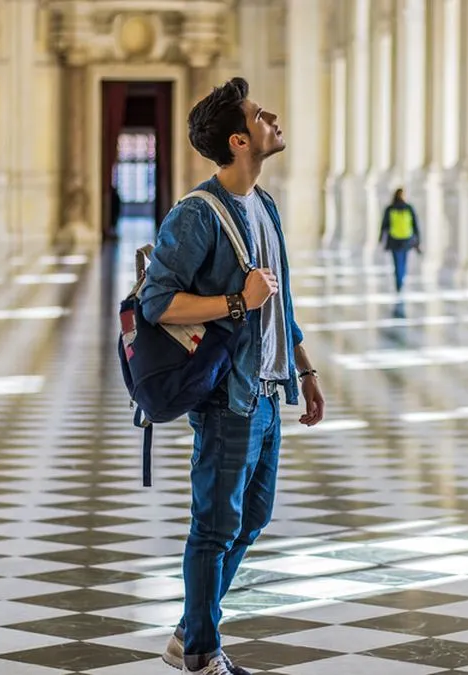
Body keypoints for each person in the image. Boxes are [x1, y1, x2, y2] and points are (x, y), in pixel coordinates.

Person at [138, 77, 326, 675]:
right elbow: (156, 303)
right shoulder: (197, 215)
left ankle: (191, 630)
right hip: (227, 395)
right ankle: (198, 654)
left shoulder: (264, 205)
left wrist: (304, 368)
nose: (273, 116)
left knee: (252, 517)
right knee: (215, 526)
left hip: (269, 390)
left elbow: (283, 302)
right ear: (241, 139)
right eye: (258, 113)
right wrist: (235, 303)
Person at [379, 188, 421, 293]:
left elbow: (384, 225)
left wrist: (381, 238)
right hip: (406, 239)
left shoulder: (390, 208)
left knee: (397, 262)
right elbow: (415, 225)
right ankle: (401, 280)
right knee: (404, 261)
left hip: (394, 239)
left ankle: (398, 282)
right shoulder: (409, 208)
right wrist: (418, 239)